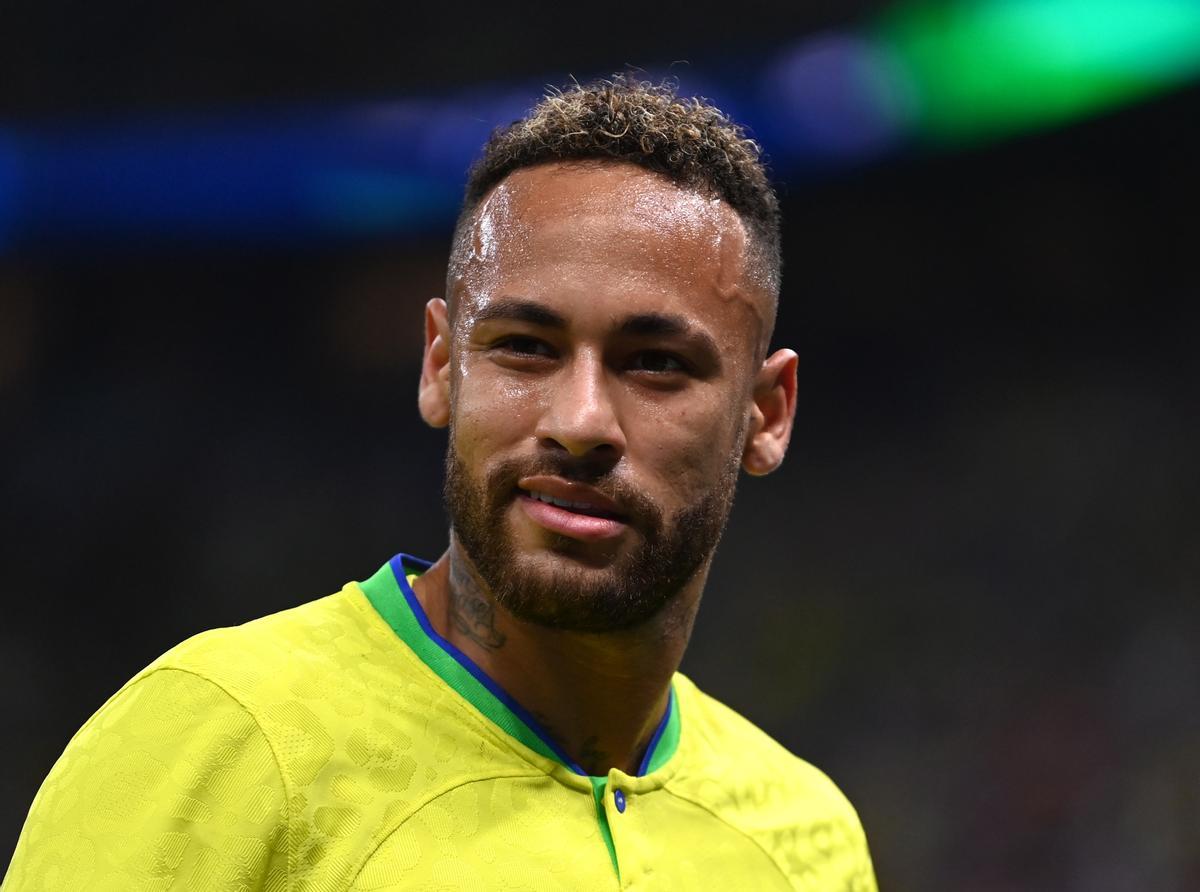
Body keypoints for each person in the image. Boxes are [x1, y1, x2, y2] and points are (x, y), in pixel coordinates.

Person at [5, 76, 877, 890]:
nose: (579, 421)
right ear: (440, 367)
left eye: (656, 364)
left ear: (766, 412)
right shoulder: (218, 740)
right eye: (525, 348)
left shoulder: (809, 842)